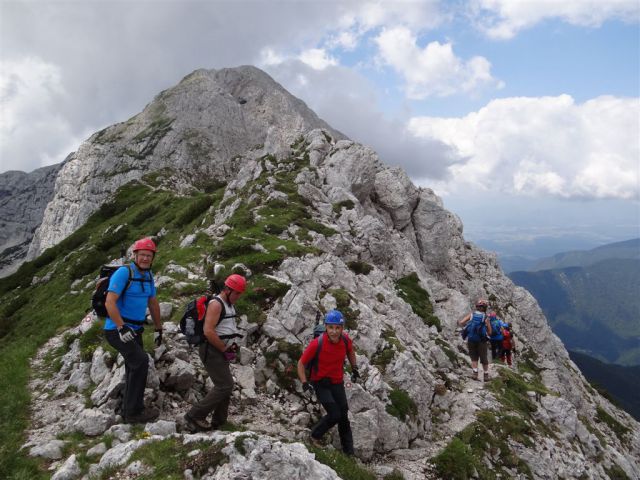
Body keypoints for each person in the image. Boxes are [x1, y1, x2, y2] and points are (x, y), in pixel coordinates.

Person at [104, 237, 162, 424]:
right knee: (140, 361)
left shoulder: (149, 276)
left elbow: (152, 303)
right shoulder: (124, 273)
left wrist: (159, 328)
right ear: (135, 255)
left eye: (149, 255)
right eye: (142, 255)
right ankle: (134, 413)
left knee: (133, 365)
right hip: (117, 329)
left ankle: (128, 408)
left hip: (135, 329)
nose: (145, 258)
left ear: (153, 258)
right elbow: (109, 302)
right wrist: (121, 327)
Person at [184, 274, 247, 432]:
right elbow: (208, 331)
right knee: (225, 385)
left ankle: (219, 422)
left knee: (224, 385)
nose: (238, 296)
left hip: (220, 349)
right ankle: (194, 415)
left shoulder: (229, 304)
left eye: (240, 293)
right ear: (227, 289)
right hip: (211, 349)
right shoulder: (216, 304)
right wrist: (224, 349)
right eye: (237, 293)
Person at [297, 310, 359, 456]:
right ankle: (314, 436)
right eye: (331, 327)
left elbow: (350, 351)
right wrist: (305, 382)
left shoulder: (345, 340)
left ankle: (349, 451)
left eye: (337, 328)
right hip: (320, 383)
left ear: (342, 328)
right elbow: (301, 363)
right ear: (326, 327)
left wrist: (354, 367)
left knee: (343, 415)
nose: (334, 331)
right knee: (335, 414)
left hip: (337, 382)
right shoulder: (316, 343)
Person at [458, 299, 492, 381]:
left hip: (471, 339)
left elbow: (461, 322)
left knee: (474, 357)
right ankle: (486, 375)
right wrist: (487, 334)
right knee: (484, 358)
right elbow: (490, 331)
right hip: (481, 340)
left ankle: (475, 374)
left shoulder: (472, 314)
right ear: (485, 308)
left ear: (477, 307)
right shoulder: (485, 317)